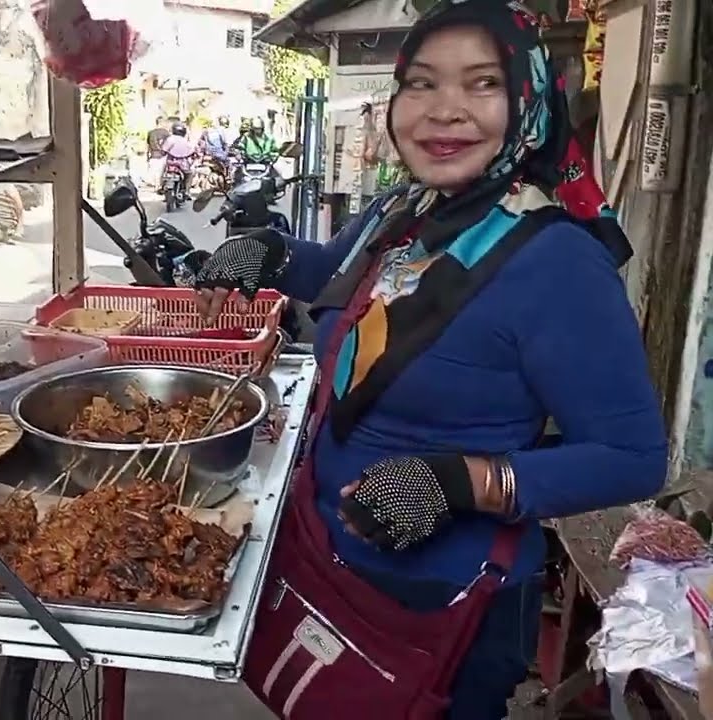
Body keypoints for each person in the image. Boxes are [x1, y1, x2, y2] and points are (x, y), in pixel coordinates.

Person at [194, 1, 667, 717]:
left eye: (481, 84)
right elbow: (342, 278)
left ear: (528, 98)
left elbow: (632, 457)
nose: (445, 111)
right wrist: (273, 254)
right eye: (422, 83)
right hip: (328, 557)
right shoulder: (406, 210)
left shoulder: (557, 263)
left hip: (445, 605)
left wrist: (459, 483)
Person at [160, 121, 197, 199]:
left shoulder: (170, 139)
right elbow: (192, 152)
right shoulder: (186, 141)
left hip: (170, 163)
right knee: (189, 174)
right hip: (183, 164)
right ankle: (186, 191)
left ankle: (162, 187)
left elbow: (164, 151)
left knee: (163, 173)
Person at [146, 115, 172, 188]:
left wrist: (147, 155)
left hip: (153, 154)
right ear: (162, 123)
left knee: (154, 172)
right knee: (160, 172)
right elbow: (169, 144)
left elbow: (148, 145)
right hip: (163, 155)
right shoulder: (166, 133)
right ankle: (159, 186)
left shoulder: (151, 133)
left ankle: (156, 185)